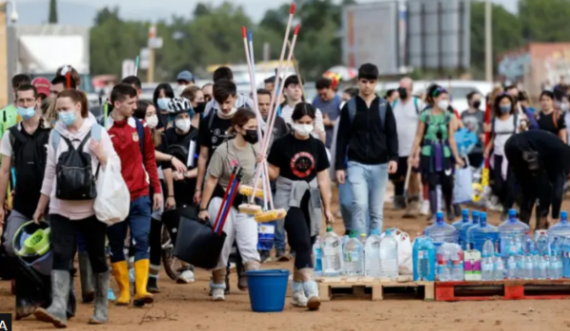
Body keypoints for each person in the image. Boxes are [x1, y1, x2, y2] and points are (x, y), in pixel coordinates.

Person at [33, 89, 119, 327]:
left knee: (97, 257)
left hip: (91, 209)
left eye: (65, 109)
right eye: (59, 110)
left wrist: (103, 157)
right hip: (60, 208)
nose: (62, 114)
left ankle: (101, 307)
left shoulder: (98, 132)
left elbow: (115, 166)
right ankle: (59, 307)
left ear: (78, 107)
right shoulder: (54, 135)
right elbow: (50, 173)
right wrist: (41, 206)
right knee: (61, 256)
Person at [267, 103, 333, 310]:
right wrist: (263, 165)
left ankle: (296, 291)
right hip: (288, 196)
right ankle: (310, 288)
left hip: (311, 196)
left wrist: (327, 207)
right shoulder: (281, 144)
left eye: (308, 123)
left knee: (307, 243)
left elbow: (323, 179)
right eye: (300, 123)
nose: (304, 126)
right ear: (293, 122)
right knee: (302, 242)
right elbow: (274, 174)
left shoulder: (317, 146)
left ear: (313, 123)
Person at [106, 84, 162, 308]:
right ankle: (123, 292)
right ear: (116, 103)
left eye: (135, 102)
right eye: (130, 103)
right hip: (113, 197)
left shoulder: (140, 127)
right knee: (117, 244)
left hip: (140, 194)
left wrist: (156, 189)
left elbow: (149, 159)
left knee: (142, 240)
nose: (135, 107)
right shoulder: (101, 128)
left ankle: (141, 289)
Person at [197, 108, 261, 301]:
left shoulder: (256, 149)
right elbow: (212, 180)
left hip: (246, 203)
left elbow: (264, 177)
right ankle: (218, 284)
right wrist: (203, 208)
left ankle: (257, 287)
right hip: (222, 201)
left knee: (249, 244)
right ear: (238, 128)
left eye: (255, 127)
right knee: (223, 244)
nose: (254, 131)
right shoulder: (223, 150)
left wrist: (264, 164)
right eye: (250, 127)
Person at [0, 84, 51, 319]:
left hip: (51, 205)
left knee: (51, 250)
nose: (26, 105)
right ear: (16, 103)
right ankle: (27, 294)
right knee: (11, 246)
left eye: (30, 101)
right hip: (21, 203)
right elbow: (4, 171)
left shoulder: (52, 132)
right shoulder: (10, 134)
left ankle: (45, 297)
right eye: (21, 101)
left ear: (38, 101)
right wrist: (0, 205)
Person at [335, 63, 398, 234]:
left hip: (380, 165)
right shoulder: (350, 107)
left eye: (371, 82)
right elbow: (342, 138)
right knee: (359, 204)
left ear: (376, 82)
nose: (367, 86)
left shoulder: (384, 106)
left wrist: (394, 157)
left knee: (376, 210)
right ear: (358, 81)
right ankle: (359, 242)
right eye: (364, 81)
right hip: (356, 164)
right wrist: (340, 166)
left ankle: (374, 244)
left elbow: (391, 134)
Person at [132, 100, 175, 292]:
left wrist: (170, 193)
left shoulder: (161, 137)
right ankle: (135, 275)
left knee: (155, 234)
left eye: (153, 113)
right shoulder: (134, 136)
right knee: (138, 235)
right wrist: (168, 157)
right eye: (148, 114)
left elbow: (166, 168)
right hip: (137, 187)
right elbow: (146, 156)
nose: (153, 117)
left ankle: (152, 278)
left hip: (156, 187)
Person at [409, 84, 464, 222]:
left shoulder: (449, 116)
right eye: (442, 98)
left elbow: (451, 137)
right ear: (434, 99)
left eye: (446, 98)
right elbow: (418, 136)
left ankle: (449, 209)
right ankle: (434, 213)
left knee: (448, 183)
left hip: (445, 153)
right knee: (431, 183)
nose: (445, 100)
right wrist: (413, 154)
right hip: (429, 153)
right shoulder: (425, 115)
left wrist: (456, 156)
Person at [162, 97, 200, 284]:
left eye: (186, 116)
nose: (183, 119)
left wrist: (185, 176)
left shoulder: (197, 136)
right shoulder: (166, 136)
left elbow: (204, 165)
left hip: (189, 187)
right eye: (179, 116)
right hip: (167, 186)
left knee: (185, 225)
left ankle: (187, 266)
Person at [505, 130, 570, 229]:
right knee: (544, 190)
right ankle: (541, 228)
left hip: (509, 145)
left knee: (528, 189)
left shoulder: (558, 153)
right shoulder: (565, 159)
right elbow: (557, 190)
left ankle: (522, 225)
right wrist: (555, 216)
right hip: (525, 149)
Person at [255, 88, 288, 261]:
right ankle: (265, 249)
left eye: (268, 104)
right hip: (259, 173)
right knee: (264, 211)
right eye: (260, 104)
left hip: (278, 172)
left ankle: (281, 248)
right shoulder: (251, 122)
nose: (264, 107)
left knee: (278, 211)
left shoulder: (280, 123)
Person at [483, 93, 527, 220]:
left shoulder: (516, 118)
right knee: (498, 184)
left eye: (507, 102)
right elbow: (493, 136)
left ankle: (507, 208)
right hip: (498, 153)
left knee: (510, 182)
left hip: (512, 153)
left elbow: (523, 131)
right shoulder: (495, 119)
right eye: (502, 102)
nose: (505, 105)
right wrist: (487, 149)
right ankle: (506, 203)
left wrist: (524, 123)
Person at [391, 77, 424, 214]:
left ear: (411, 89)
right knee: (399, 176)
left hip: (413, 147)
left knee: (413, 176)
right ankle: (402, 200)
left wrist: (417, 149)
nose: (402, 90)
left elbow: (422, 127)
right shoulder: (394, 104)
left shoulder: (418, 104)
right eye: (400, 87)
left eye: (405, 88)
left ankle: (414, 202)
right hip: (398, 148)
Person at [280, 75, 325, 143]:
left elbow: (321, 134)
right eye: (293, 87)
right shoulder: (281, 112)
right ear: (285, 90)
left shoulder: (314, 111)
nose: (297, 89)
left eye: (299, 87)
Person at [313, 77, 342, 149]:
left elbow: (345, 123)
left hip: (335, 143)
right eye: (320, 94)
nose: (322, 97)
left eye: (324, 94)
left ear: (330, 88)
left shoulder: (339, 101)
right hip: (320, 143)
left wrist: (330, 122)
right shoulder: (315, 101)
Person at [461, 91, 485, 168]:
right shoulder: (463, 113)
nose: (478, 101)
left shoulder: (483, 114)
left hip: (479, 149)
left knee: (479, 173)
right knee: (466, 173)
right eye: (476, 99)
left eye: (479, 99)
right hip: (465, 149)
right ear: (469, 100)